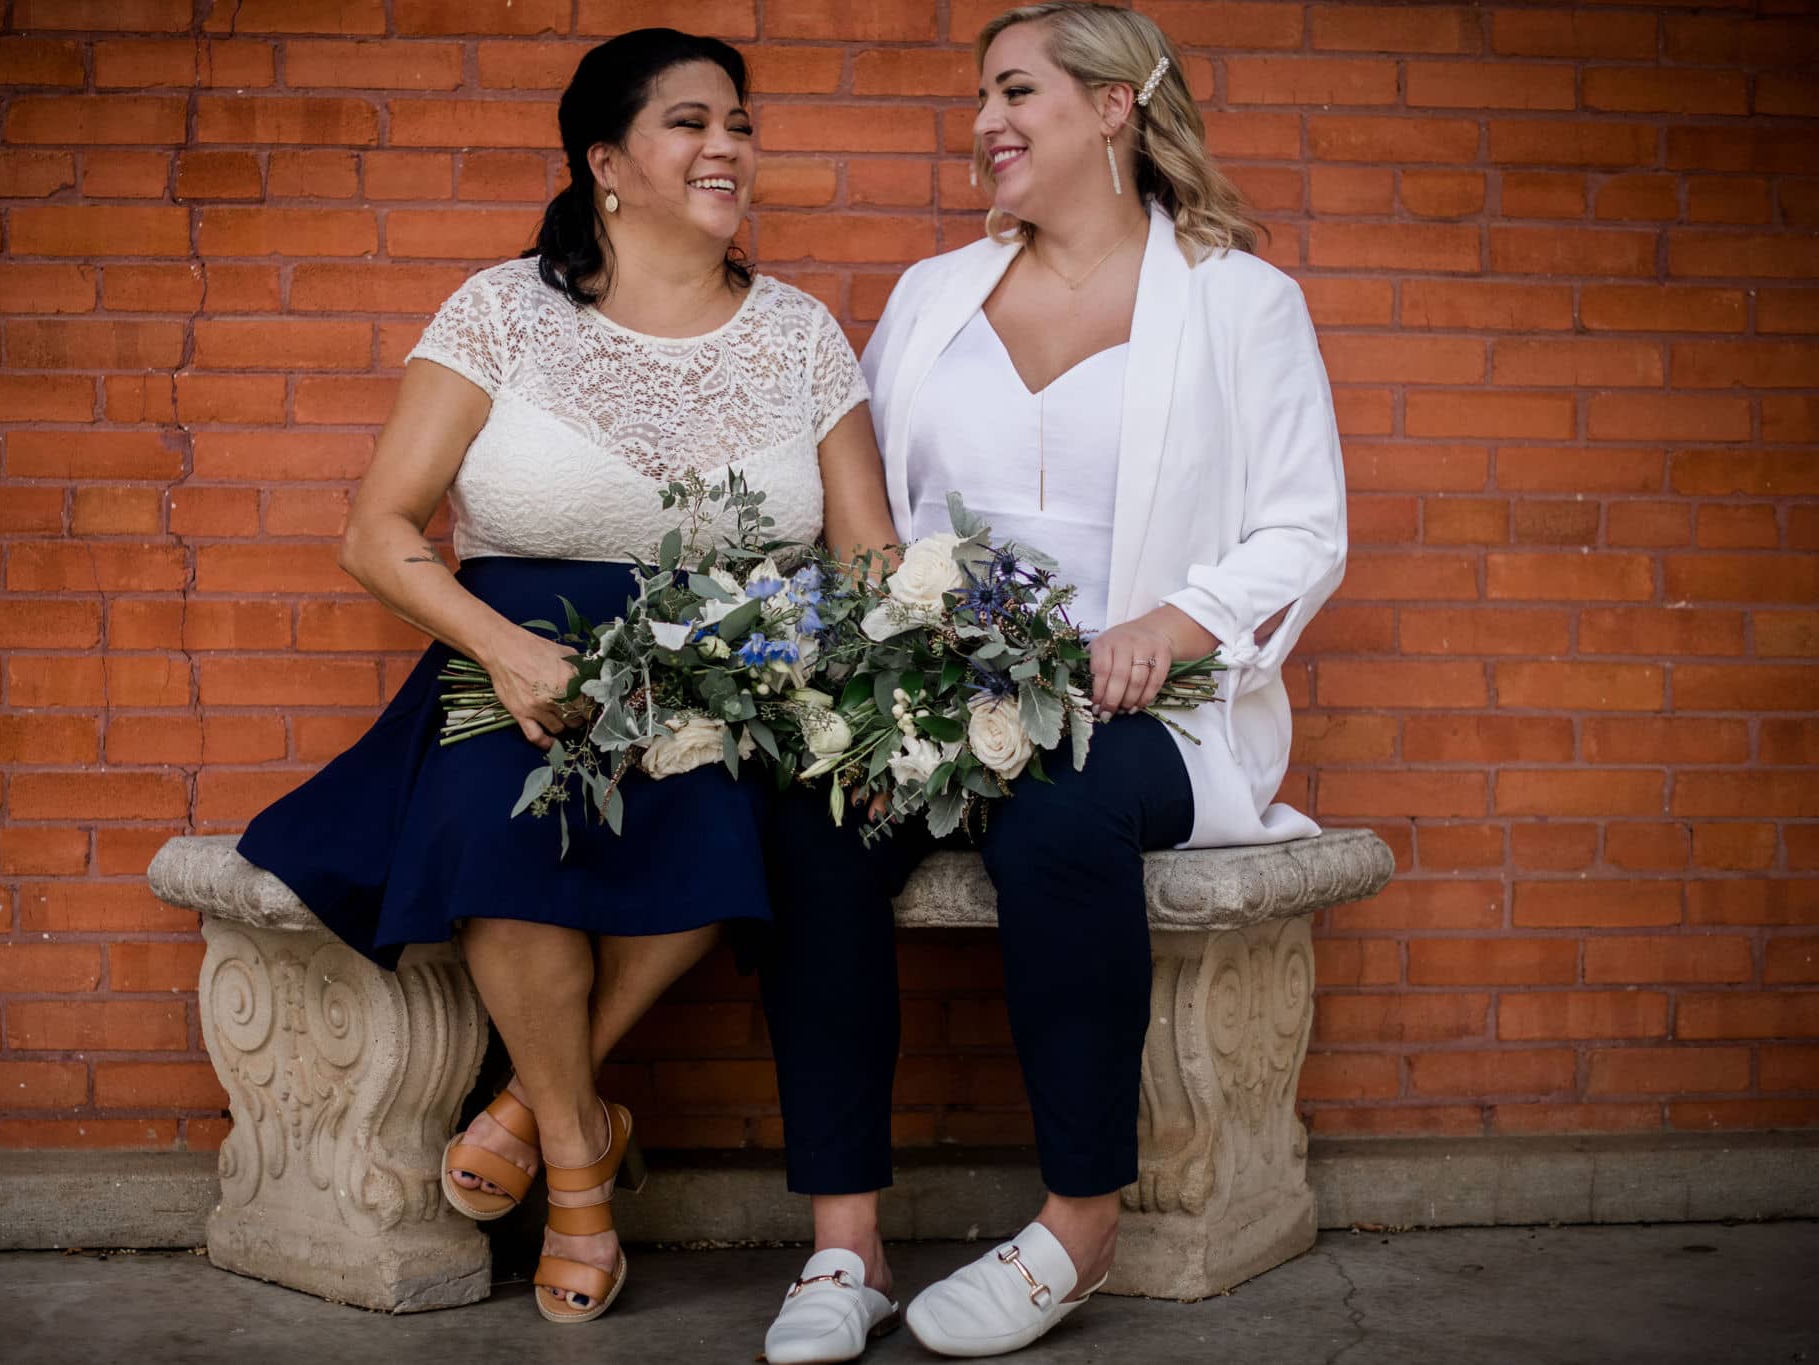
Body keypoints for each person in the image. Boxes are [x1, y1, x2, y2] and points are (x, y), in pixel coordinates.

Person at [235, 27, 895, 1325]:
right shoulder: (501, 312)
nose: (727, 147)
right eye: (692, 122)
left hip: (734, 666)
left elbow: (865, 548)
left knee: (727, 816)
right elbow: (378, 530)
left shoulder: (803, 333)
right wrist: (508, 646)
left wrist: (861, 692)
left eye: (741, 125)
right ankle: (584, 1175)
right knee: (498, 827)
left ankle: (540, 1102)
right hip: (518, 657)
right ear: (606, 160)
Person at [756, 4, 1348, 1360]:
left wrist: (1175, 621)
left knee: (1063, 806)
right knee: (808, 809)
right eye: (979, 98)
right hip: (942, 691)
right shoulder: (931, 296)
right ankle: (844, 1246)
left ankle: (1079, 1220)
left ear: (1112, 109)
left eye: (1015, 91)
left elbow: (1305, 524)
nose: (985, 124)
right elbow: (875, 513)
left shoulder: (1239, 299)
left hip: (1146, 706)